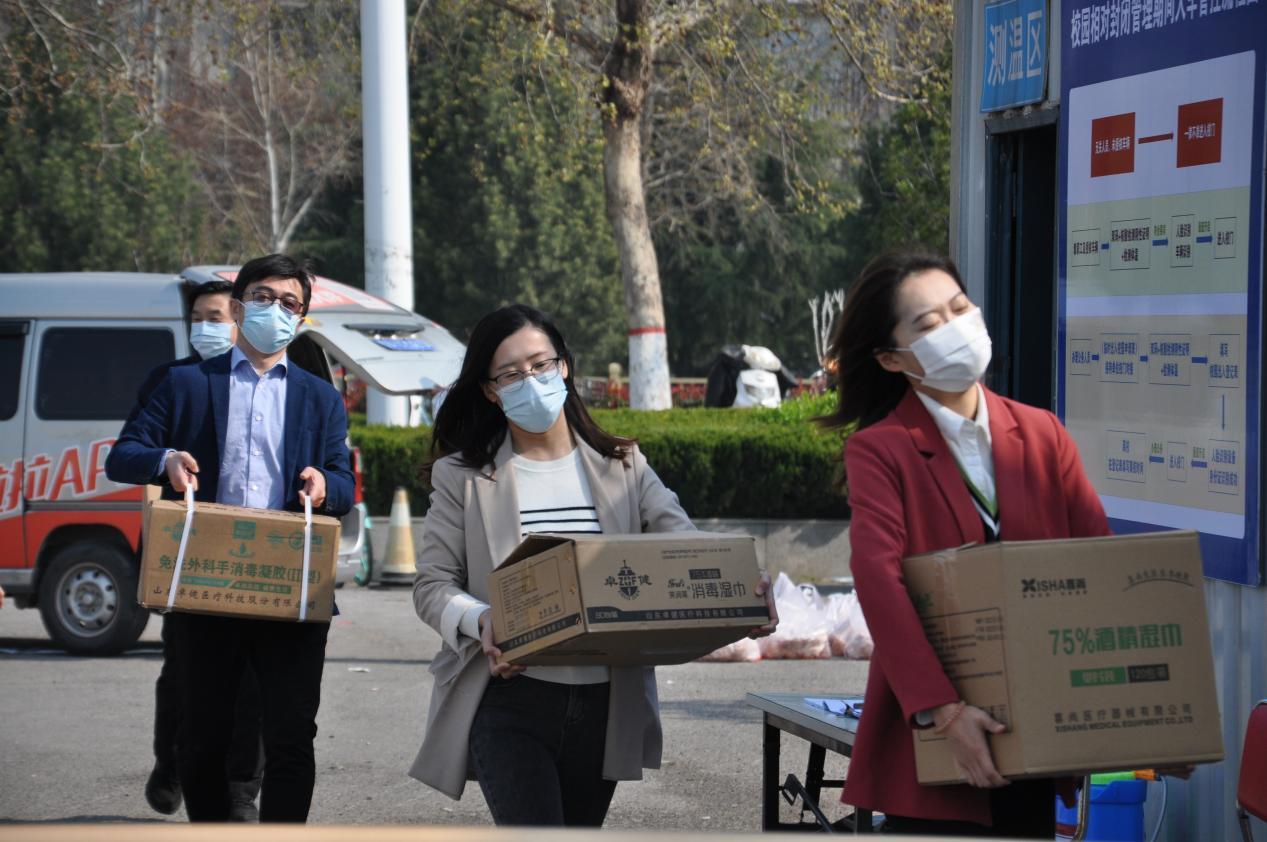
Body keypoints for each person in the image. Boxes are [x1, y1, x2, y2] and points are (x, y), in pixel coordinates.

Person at [408, 304, 777, 827]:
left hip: (605, 702)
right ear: (490, 390)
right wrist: (483, 619)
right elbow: (432, 586)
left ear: (564, 366)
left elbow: (685, 549)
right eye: (510, 374)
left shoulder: (624, 465)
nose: (530, 381)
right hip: (509, 697)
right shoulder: (463, 477)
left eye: (540, 364)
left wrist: (742, 592)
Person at [819, 251, 1111, 837]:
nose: (955, 328)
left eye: (959, 308)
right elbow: (879, 579)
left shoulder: (1043, 434)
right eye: (929, 324)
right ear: (890, 358)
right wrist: (944, 711)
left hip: (1036, 734)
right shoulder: (881, 449)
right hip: (936, 750)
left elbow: (1100, 568)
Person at [105, 254, 354, 824]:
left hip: (288, 587)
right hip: (205, 584)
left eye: (289, 303)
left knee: (291, 735)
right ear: (239, 308)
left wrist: (325, 485)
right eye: (263, 297)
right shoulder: (186, 384)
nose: (275, 310)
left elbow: (344, 483)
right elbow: (123, 455)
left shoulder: (320, 397)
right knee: (203, 734)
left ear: (301, 319)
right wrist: (166, 460)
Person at [127, 280, 266, 821]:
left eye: (217, 317)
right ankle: (171, 763)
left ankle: (241, 790)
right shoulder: (173, 381)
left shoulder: (274, 386)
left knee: (252, 679)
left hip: (256, 556)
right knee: (184, 672)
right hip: (190, 557)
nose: (206, 327)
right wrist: (164, 460)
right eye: (199, 317)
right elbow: (126, 454)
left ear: (240, 322)